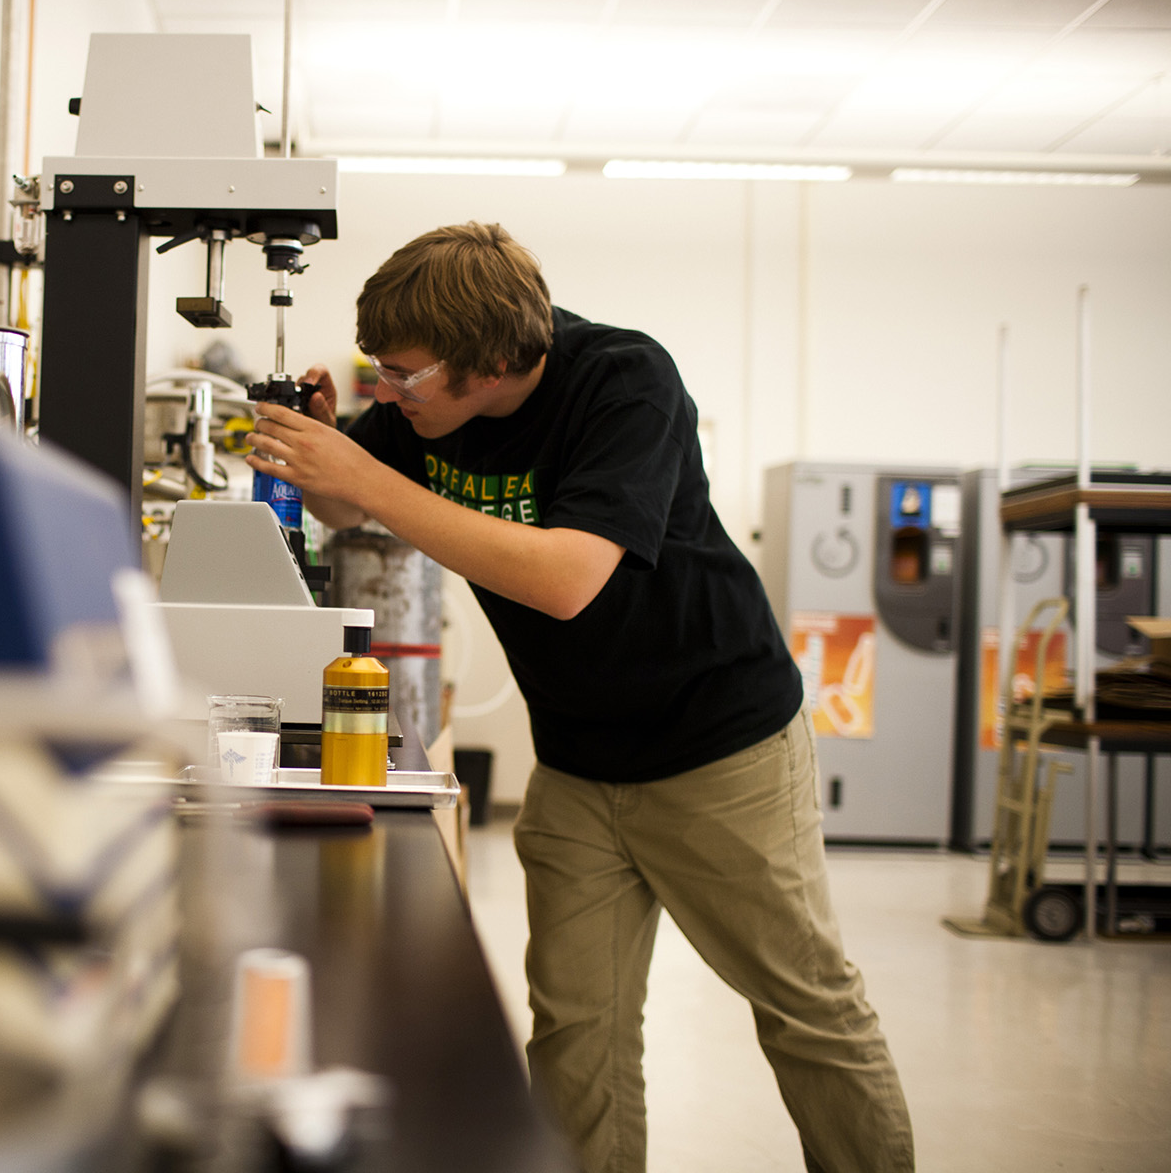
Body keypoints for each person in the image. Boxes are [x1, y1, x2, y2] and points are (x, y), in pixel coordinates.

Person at [243, 222, 913, 1173]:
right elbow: (352, 506)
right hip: (576, 759)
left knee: (807, 1009)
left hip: (719, 749)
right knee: (577, 1032)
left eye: (405, 377)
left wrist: (369, 477)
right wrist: (326, 454)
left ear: (501, 357)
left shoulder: (625, 383)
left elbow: (566, 578)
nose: (386, 395)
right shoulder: (426, 408)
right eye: (376, 373)